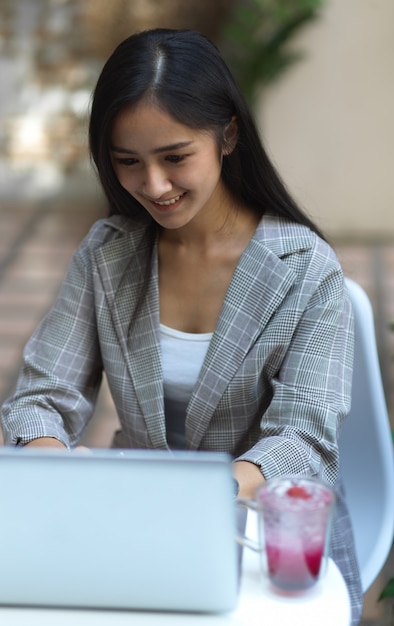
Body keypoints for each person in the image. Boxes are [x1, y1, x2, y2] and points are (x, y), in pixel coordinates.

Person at [1, 29, 362, 623]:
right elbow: (43, 396)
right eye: (127, 163)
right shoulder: (108, 253)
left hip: (270, 535)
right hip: (135, 521)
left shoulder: (305, 270)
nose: (154, 187)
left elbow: (302, 439)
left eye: (174, 158)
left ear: (228, 135)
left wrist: (199, 501)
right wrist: (52, 464)